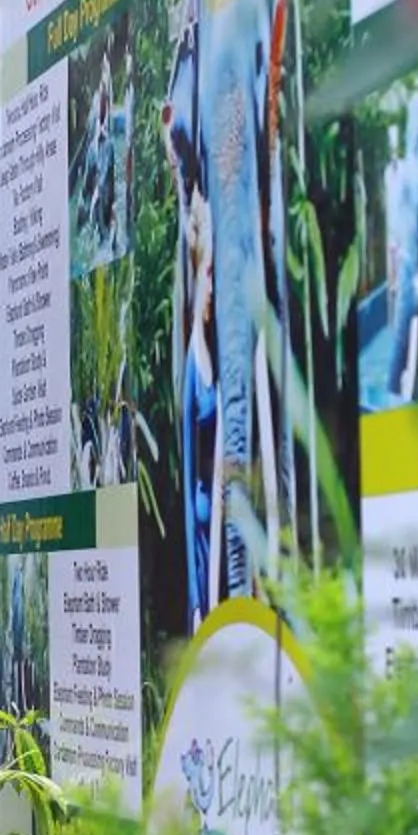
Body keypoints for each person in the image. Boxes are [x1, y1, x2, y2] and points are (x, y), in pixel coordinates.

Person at [180, 191, 224, 629]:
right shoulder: (192, 368)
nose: (214, 287)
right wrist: (195, 596)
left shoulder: (215, 351)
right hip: (202, 549)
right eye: (210, 274)